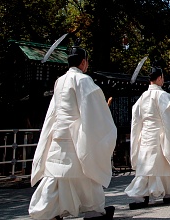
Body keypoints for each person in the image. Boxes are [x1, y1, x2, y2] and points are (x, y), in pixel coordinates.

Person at [29, 45, 117, 220]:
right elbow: (92, 111)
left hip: (59, 135)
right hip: (76, 136)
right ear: (83, 62)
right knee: (86, 174)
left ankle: (48, 211)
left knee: (56, 177)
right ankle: (93, 211)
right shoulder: (83, 80)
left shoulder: (59, 81)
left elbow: (53, 110)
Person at [125, 66, 170, 209]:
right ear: (160, 78)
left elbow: (136, 119)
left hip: (146, 135)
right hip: (159, 135)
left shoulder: (142, 97)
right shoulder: (163, 96)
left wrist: (137, 137)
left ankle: (140, 195)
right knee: (163, 163)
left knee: (147, 165)